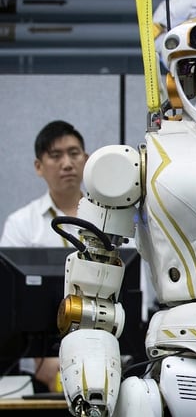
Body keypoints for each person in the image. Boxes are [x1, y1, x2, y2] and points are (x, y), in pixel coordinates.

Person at [0, 120, 89, 393]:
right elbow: (10, 305)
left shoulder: (115, 221)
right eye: (55, 155)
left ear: (86, 160)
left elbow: (137, 295)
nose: (67, 163)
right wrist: (45, 362)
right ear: (39, 166)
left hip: (108, 349)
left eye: (74, 154)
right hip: (39, 362)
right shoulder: (21, 223)